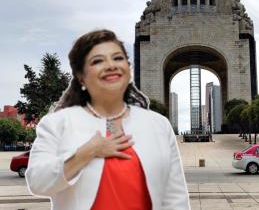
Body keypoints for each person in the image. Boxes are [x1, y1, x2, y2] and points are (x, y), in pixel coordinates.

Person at [26, 29, 190, 210]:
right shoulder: (57, 124)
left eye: (118, 58)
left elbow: (175, 198)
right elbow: (37, 181)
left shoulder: (158, 125)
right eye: (98, 61)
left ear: (128, 69)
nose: (111, 65)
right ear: (81, 76)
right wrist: (86, 152)